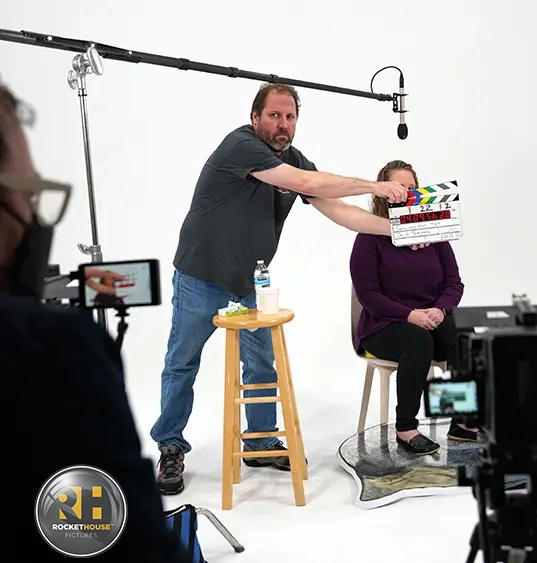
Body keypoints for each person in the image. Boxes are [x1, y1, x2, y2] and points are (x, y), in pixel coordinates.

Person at [151, 82, 420, 495]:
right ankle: (170, 446)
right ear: (255, 116)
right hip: (199, 274)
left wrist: (399, 231)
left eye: (290, 116)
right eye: (274, 115)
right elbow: (303, 181)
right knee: (183, 361)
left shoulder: (292, 158)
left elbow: (340, 212)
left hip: (249, 281)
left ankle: (260, 441)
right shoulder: (239, 146)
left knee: (260, 365)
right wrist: (376, 186)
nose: (283, 123)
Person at [0, 80, 210, 563]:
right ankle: (172, 445)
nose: (34, 221)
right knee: (181, 363)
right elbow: (135, 561)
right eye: (29, 196)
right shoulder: (45, 351)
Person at [350, 160, 479, 456]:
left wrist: (441, 309)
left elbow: (453, 283)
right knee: (418, 341)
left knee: (465, 335)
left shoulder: (434, 232)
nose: (406, 192)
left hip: (429, 318)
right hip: (384, 325)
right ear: (383, 193)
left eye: (411, 187)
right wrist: (410, 315)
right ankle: (406, 429)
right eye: (399, 187)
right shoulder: (369, 238)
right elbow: (368, 295)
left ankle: (463, 422)